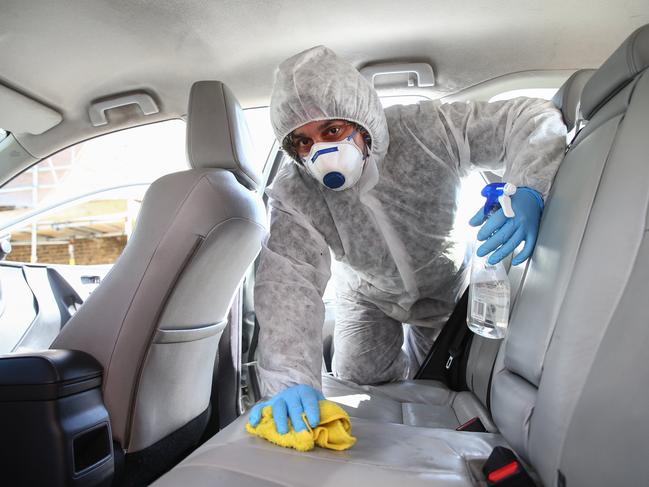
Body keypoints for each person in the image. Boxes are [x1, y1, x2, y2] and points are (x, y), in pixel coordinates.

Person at [250, 46, 566, 435]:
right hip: (367, 294)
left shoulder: (428, 129)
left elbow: (529, 118)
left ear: (362, 119)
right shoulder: (296, 191)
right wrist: (289, 380)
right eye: (303, 141)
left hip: (445, 284)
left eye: (331, 130)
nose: (321, 152)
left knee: (439, 382)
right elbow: (287, 281)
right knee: (358, 382)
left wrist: (530, 189)